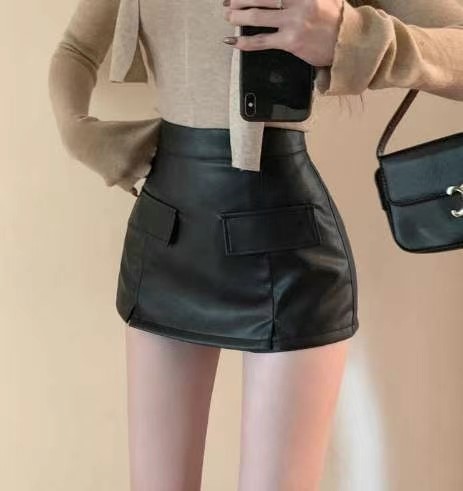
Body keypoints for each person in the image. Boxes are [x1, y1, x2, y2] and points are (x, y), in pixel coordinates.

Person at [48, 0, 463, 489]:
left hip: (284, 248)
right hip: (166, 235)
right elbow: (75, 50)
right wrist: (80, 135)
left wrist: (352, 36)